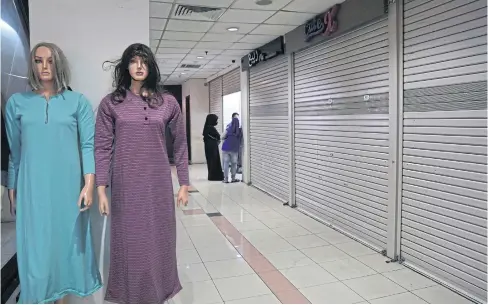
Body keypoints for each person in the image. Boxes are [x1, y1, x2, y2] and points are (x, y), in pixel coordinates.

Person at [4, 42, 102, 304]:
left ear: (59, 63)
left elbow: (87, 145)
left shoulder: (77, 102)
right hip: (32, 190)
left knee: (64, 252)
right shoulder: (17, 104)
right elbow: (15, 151)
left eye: (50, 61)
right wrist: (11, 187)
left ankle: (60, 300)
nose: (44, 67)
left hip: (68, 190)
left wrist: (89, 184)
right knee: (36, 254)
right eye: (38, 61)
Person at [95, 43, 189, 304]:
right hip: (126, 186)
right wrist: (101, 186)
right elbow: (102, 146)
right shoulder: (112, 103)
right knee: (131, 244)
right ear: (126, 65)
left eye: (144, 62)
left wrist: (184, 183)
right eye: (134, 61)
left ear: (151, 67)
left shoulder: (167, 103)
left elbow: (180, 143)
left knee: (160, 240)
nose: (139, 67)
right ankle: (131, 295)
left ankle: (160, 292)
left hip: (158, 185)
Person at [203, 114, 224, 181]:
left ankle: (211, 175)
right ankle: (215, 176)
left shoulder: (206, 128)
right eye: (215, 120)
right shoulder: (211, 128)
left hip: (208, 146)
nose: (216, 122)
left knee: (210, 161)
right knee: (214, 160)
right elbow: (218, 136)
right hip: (213, 147)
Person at [221, 117, 242, 183]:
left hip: (226, 148)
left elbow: (222, 137)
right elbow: (241, 140)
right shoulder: (240, 131)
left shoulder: (228, 129)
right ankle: (233, 179)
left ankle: (226, 179)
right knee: (234, 164)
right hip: (234, 149)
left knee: (226, 164)